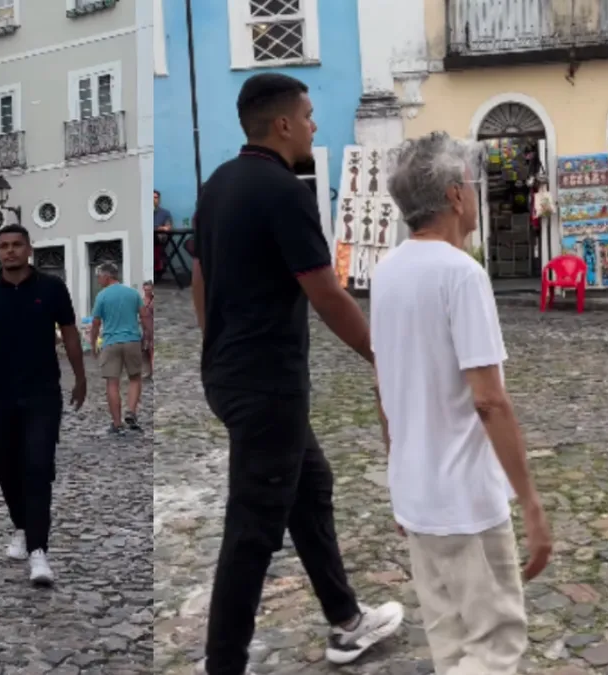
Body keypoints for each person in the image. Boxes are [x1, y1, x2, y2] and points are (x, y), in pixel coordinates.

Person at [188, 72, 404, 675]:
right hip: (268, 383)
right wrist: (382, 357)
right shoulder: (285, 191)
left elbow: (199, 282)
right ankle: (223, 662)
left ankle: (346, 622)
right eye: (307, 115)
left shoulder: (217, 185)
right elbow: (326, 292)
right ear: (282, 124)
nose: (314, 124)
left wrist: (217, 347)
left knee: (310, 488)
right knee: (253, 526)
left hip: (231, 374)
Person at [371, 132, 553, 675]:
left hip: (418, 492)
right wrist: (531, 502)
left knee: (450, 645)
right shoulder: (461, 274)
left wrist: (396, 467)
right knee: (495, 649)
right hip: (465, 497)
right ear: (455, 196)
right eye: (472, 185)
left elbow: (385, 387)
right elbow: (490, 401)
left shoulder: (386, 273)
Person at [0, 224, 87, 586]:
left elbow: (69, 332)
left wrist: (80, 377)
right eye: (4, 246)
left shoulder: (51, 288)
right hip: (0, 394)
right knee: (4, 464)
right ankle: (21, 524)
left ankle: (38, 552)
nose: (10, 251)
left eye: (17, 245)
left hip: (43, 392)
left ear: (29, 249)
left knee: (37, 465)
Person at [88, 263, 145, 434]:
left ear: (107, 276)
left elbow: (96, 323)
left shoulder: (101, 296)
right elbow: (145, 315)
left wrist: (93, 344)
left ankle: (117, 423)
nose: (98, 280)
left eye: (99, 277)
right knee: (135, 378)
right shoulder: (133, 293)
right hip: (132, 340)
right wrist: (148, 335)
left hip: (111, 343)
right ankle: (132, 412)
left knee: (112, 383)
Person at [154, 190, 173, 277]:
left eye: (155, 197)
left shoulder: (165, 213)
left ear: (159, 200)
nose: (153, 200)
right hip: (147, 237)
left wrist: (158, 228)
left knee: (154, 236)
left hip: (160, 237)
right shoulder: (143, 213)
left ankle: (157, 266)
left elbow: (167, 227)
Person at [141, 281, 155, 379]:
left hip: (152, 328)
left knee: (152, 351)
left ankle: (154, 372)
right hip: (144, 330)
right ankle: (148, 371)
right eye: (146, 290)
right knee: (144, 352)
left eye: (149, 290)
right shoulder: (141, 301)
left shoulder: (154, 301)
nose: (147, 292)